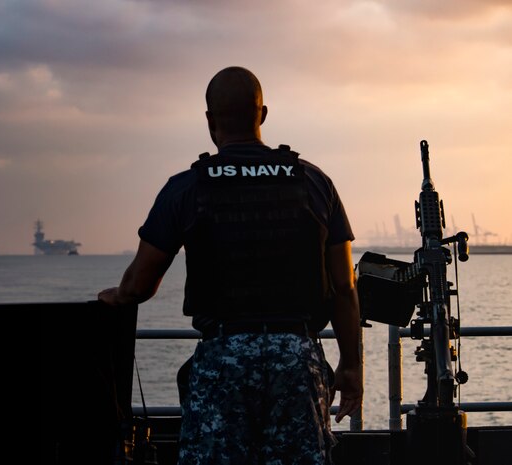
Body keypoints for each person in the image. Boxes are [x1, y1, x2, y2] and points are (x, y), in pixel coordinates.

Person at [98, 66, 363, 465]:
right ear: (263, 115)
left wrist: (115, 296)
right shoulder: (313, 182)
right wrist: (352, 366)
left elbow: (139, 285)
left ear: (209, 120)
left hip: (222, 361)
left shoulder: (187, 188)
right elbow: (344, 287)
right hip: (296, 360)